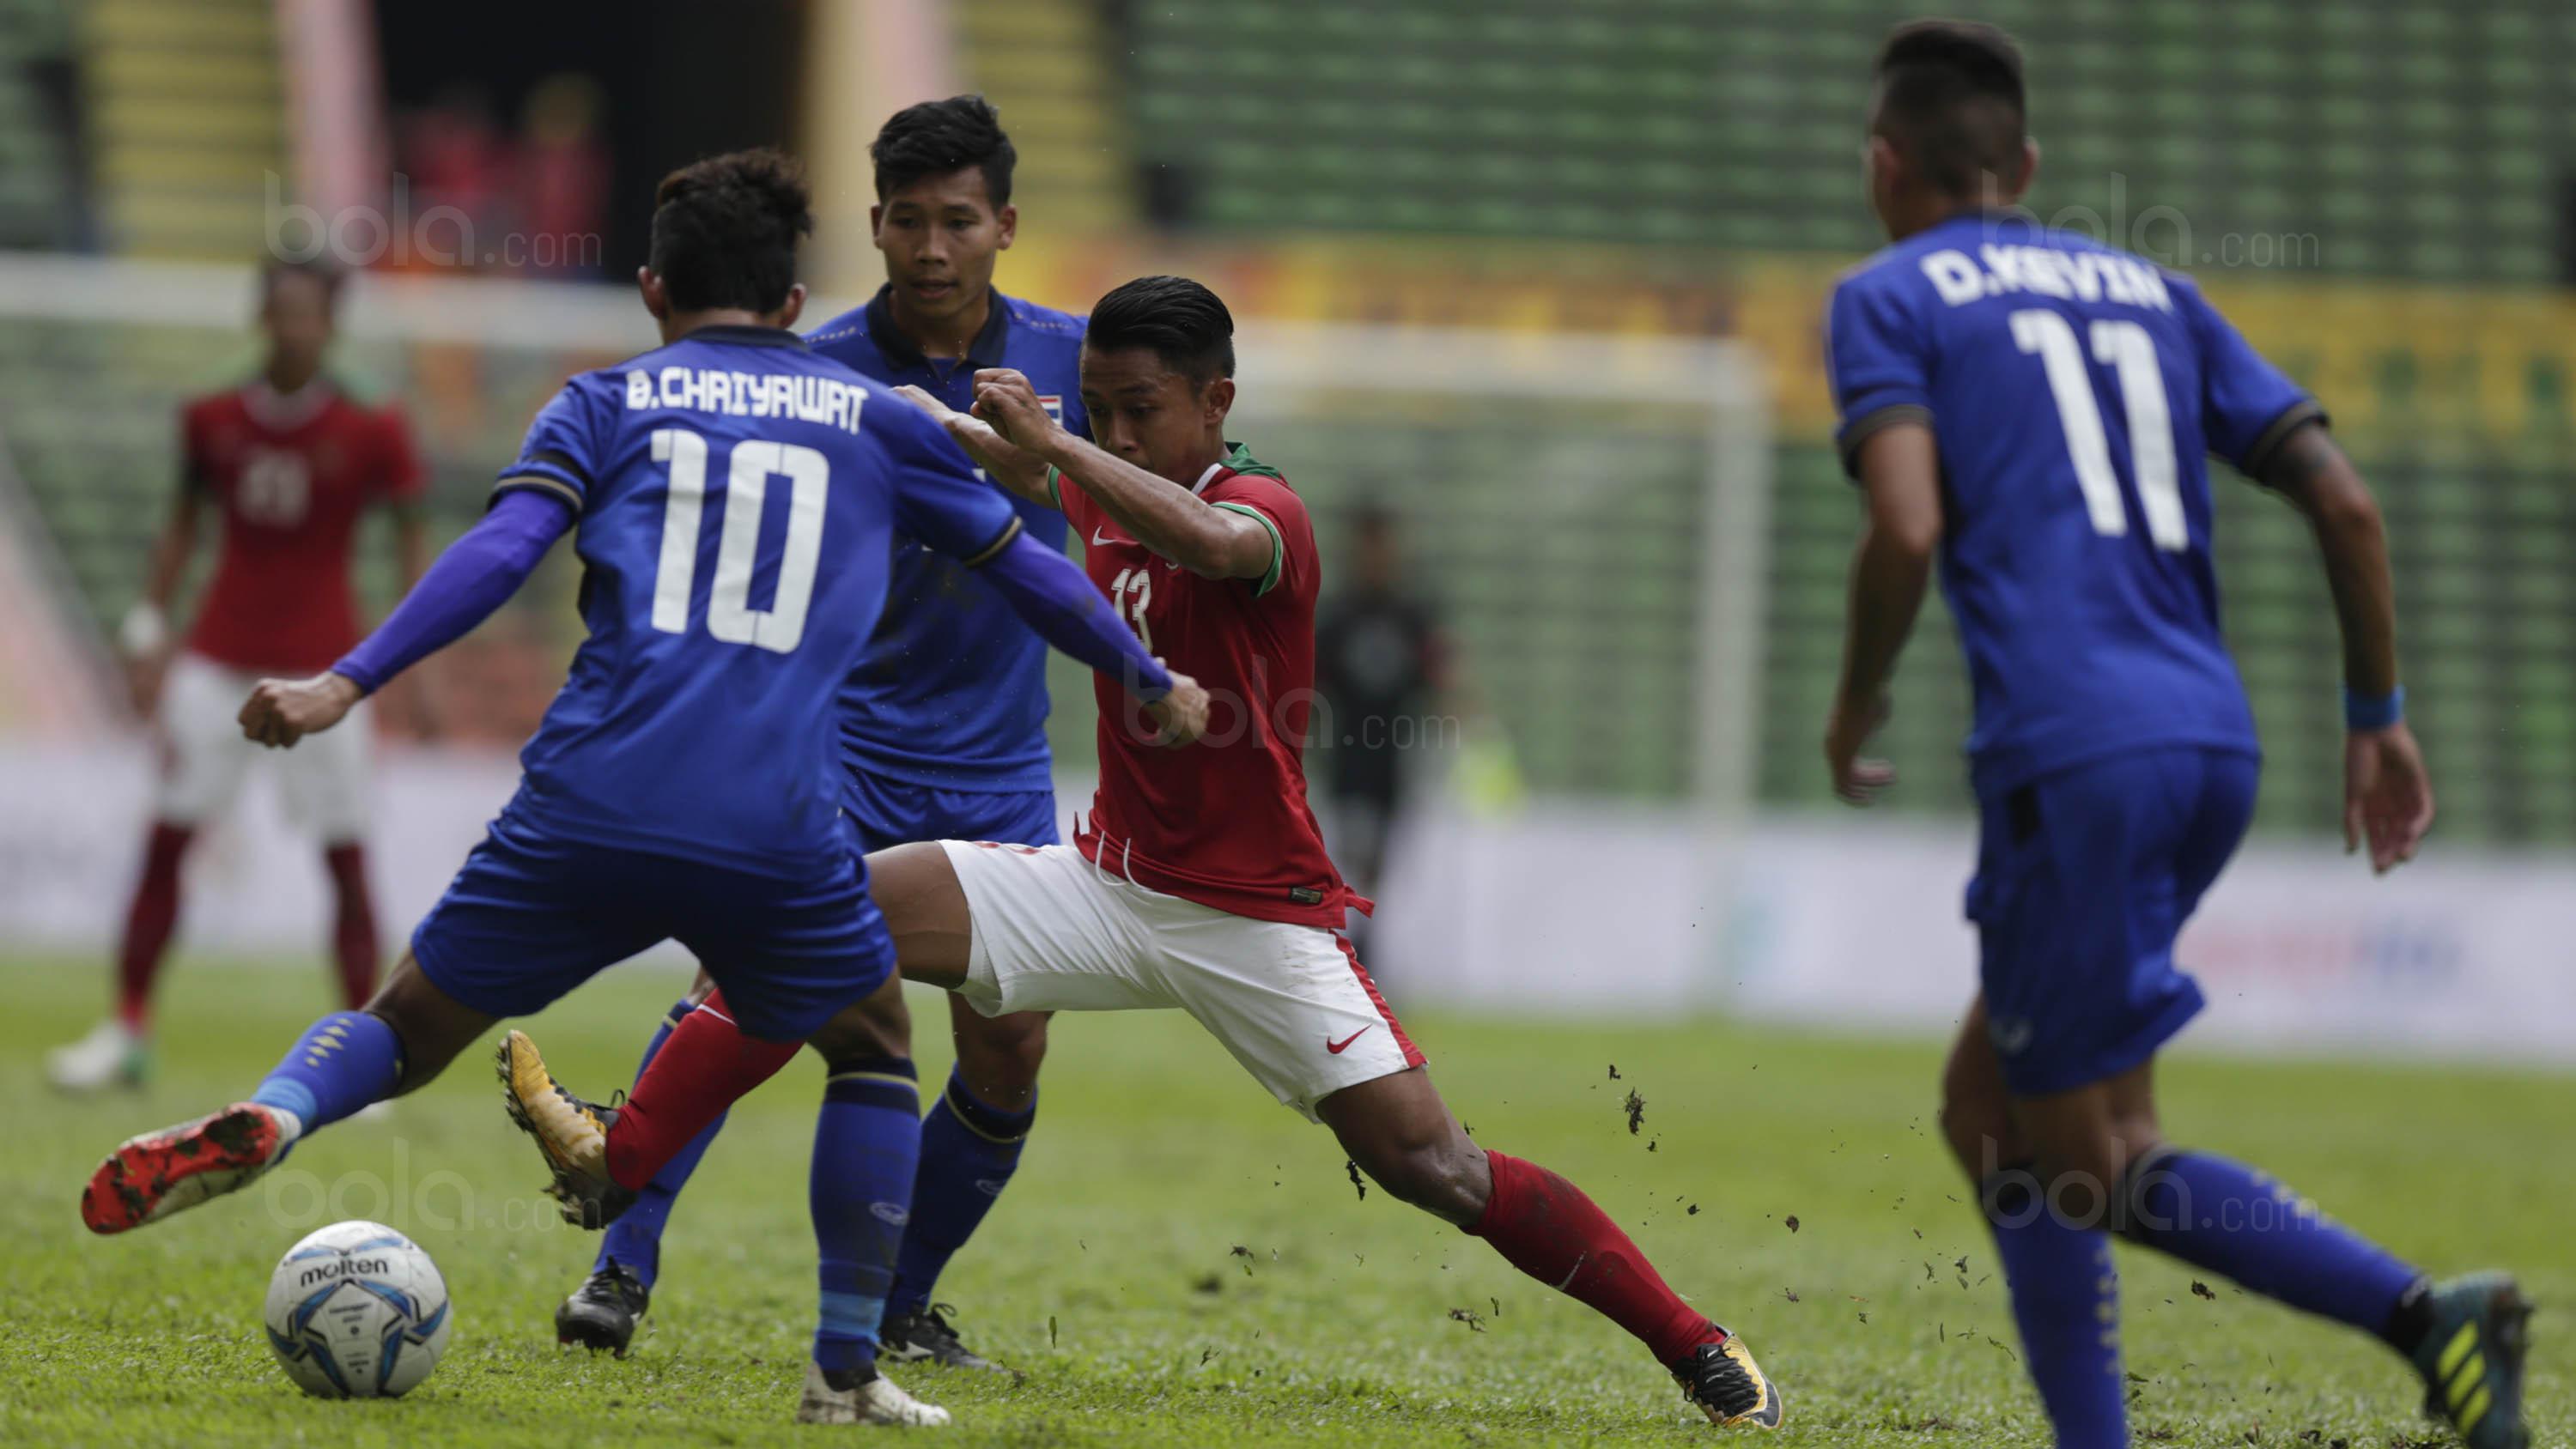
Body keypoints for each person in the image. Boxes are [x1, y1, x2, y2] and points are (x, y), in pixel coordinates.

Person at [501, 276, 1786, 1430]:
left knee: (1432, 1168)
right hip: (1104, 885)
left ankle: (1696, 1345)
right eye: (1100, 407)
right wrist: (892, 416)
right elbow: (993, 459)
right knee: (825, 912)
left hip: (1255, 919)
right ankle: (616, 1161)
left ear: (1216, 400)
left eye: (1143, 410)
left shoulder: (1262, 508)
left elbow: (1204, 542)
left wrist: (1053, 440)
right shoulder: (1100, 470)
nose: (1117, 432)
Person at [75, 150, 1203, 1432]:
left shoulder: (603, 402)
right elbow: (1028, 570)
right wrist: (1147, 672)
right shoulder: (877, 415)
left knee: (403, 1024)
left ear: (654, 290)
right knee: (873, 1047)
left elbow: (500, 550)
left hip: (585, 802)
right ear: (792, 301)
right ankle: (843, 1367)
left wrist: (346, 681)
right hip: (777, 818)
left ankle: (281, 1118)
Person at [1821, 22, 2527, 1449]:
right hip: (2213, 742)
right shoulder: (2159, 292)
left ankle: (2421, 1314)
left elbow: (1906, 524)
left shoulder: (1886, 295)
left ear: (1884, 167)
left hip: (2072, 754)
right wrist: (2377, 714)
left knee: (2082, 1156)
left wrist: (1857, 699)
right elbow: (2346, 503)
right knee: (1992, 1106)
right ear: (2024, 166)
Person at [556, 95, 1088, 1371]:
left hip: (999, 757)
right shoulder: (823, 369)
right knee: (748, 987)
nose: (933, 247)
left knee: (1009, 1042)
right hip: (836, 735)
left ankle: (900, 1300)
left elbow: (1171, 484)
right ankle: (620, 1265)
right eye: (907, 220)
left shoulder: (1075, 367)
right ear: (875, 226)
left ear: (1005, 225)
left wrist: (1059, 466)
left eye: (959, 220)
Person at [48, 259, 428, 1093]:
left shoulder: (373, 421)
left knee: (346, 857)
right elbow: (182, 525)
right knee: (167, 839)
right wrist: (149, 626)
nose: (294, 329)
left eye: (309, 315)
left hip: (327, 671)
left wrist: (408, 656)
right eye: (281, 312)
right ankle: (127, 1030)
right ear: (261, 315)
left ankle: (360, 1058)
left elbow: (409, 539)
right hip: (216, 660)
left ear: (332, 324)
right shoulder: (211, 412)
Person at [1312, 504, 1446, 946]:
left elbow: (1439, 674)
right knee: (1349, 853)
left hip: (1395, 758)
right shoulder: (1337, 615)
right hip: (1345, 758)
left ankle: (1364, 945)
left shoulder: (1412, 614)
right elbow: (1311, 686)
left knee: (1380, 864)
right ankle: (1349, 943)